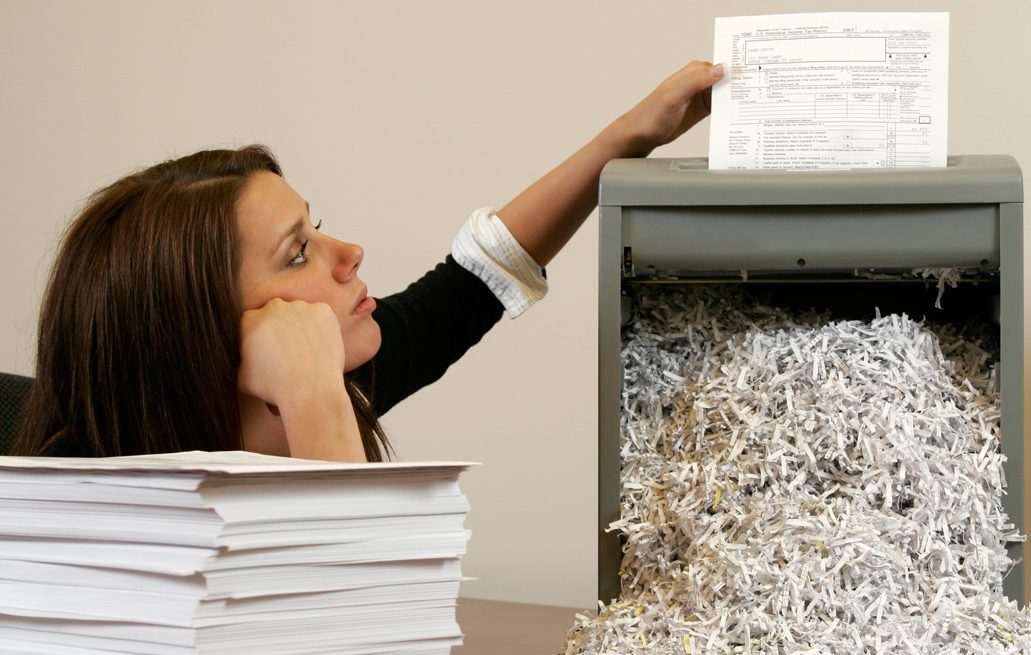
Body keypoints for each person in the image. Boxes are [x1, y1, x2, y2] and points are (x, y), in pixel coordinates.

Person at [11, 61, 726, 462]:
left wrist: (638, 131)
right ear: (199, 335)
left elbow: (471, 282)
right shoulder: (82, 524)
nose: (350, 253)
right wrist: (314, 397)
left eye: (315, 228)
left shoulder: (313, 384)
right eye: (299, 252)